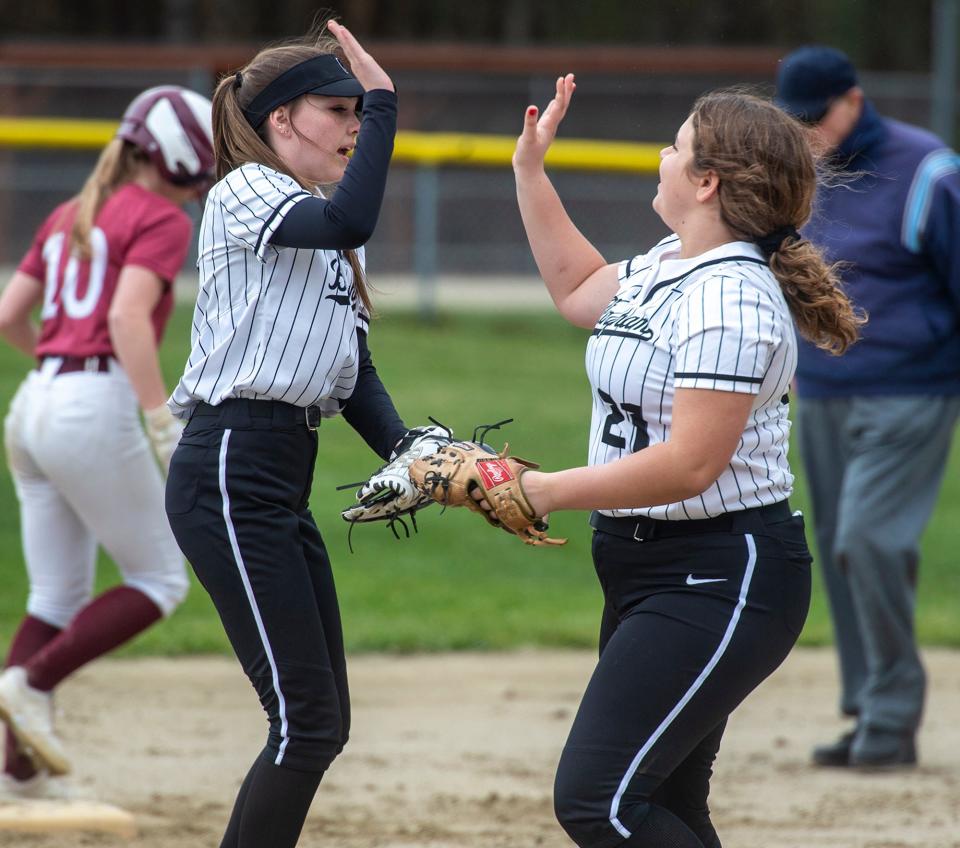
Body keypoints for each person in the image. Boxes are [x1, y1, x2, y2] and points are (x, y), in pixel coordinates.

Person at [507, 75, 863, 848]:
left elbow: (690, 466)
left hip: (720, 573)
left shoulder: (731, 296)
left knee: (597, 801)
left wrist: (541, 490)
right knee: (668, 803)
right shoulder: (675, 261)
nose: (662, 156)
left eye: (677, 146)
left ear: (707, 182)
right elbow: (575, 289)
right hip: (650, 564)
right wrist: (530, 173)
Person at [163, 21, 434, 848]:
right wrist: (387, 102)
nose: (353, 126)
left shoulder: (310, 230)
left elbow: (352, 372)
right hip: (230, 467)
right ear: (282, 119)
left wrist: (416, 448)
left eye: (359, 111)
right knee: (305, 721)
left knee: (324, 722)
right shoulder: (247, 189)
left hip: (275, 474)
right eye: (338, 109)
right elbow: (353, 221)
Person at [0, 85, 213, 797]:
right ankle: (27, 684)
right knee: (159, 579)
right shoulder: (161, 217)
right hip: (90, 402)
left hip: (33, 402)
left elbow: (8, 316)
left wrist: (57, 369)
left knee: (55, 595)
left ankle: (17, 774)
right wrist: (160, 419)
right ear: (185, 157)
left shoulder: (70, 212)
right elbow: (126, 320)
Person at [774, 45, 960, 770]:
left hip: (912, 390)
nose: (810, 132)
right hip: (823, 392)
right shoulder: (797, 172)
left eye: (819, 117)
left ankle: (891, 715)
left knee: (869, 541)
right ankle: (867, 711)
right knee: (839, 553)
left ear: (854, 100)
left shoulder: (928, 171)